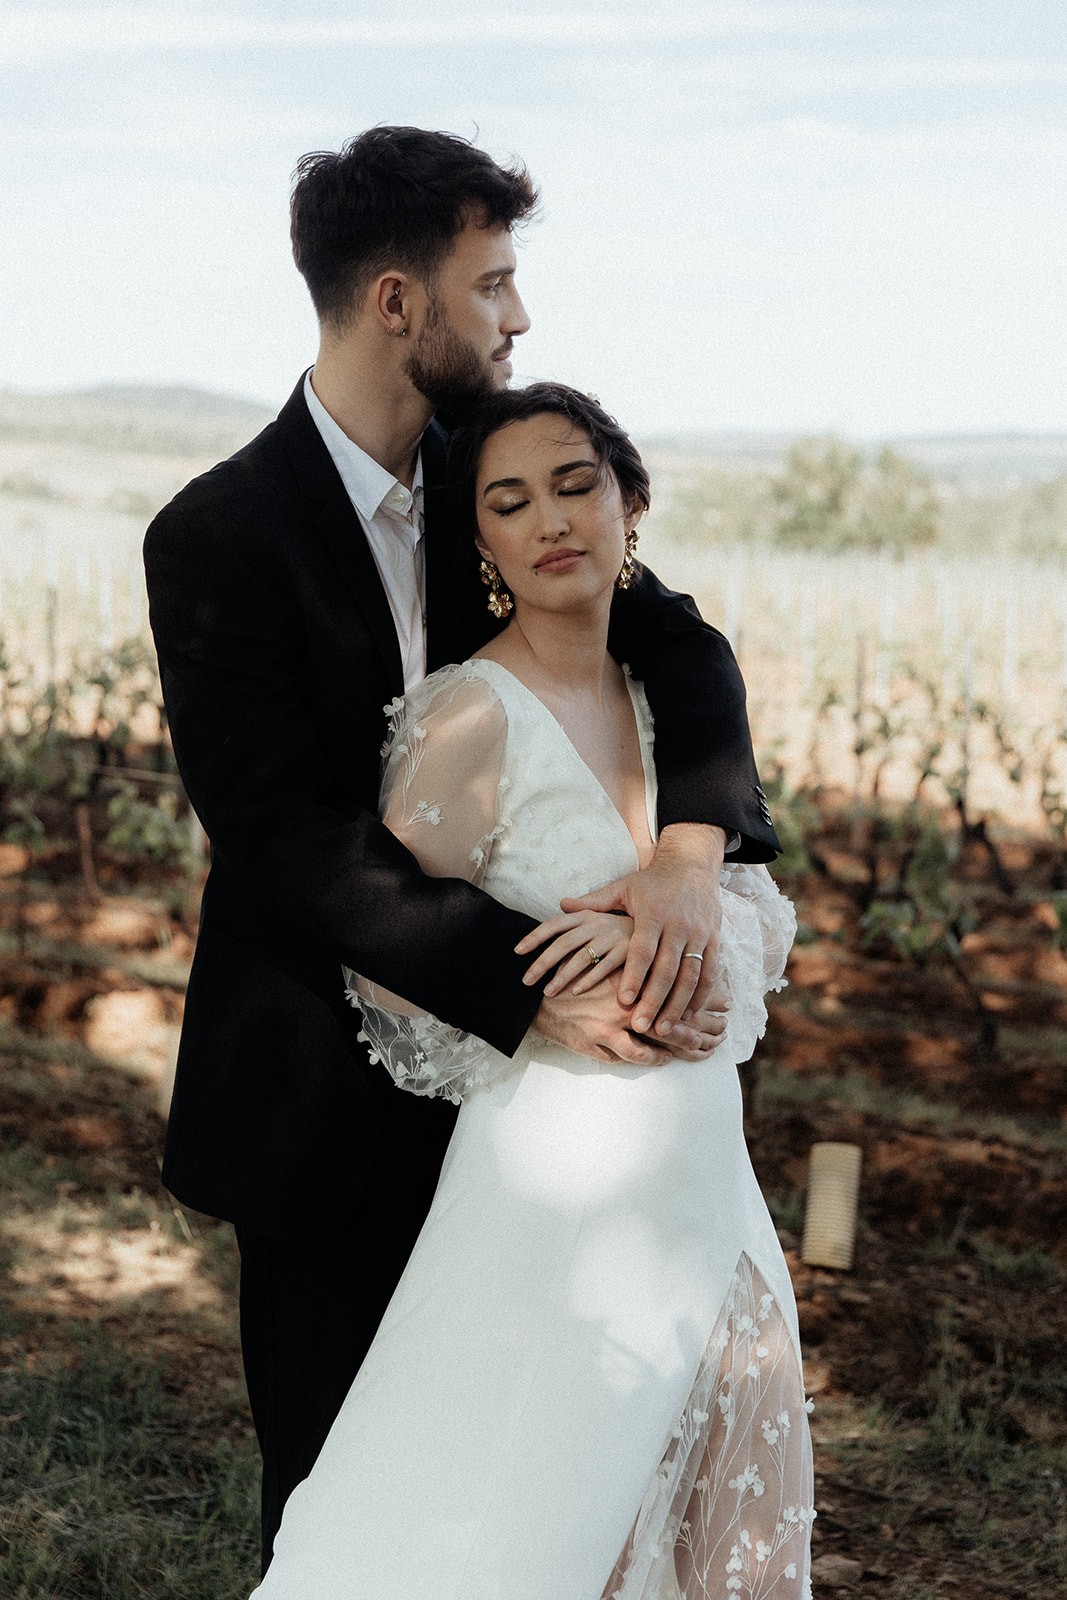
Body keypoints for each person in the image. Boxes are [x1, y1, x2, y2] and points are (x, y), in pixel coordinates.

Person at [142, 126, 779, 1571]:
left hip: (544, 1125)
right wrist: (529, 980)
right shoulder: (215, 536)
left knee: (550, 1488)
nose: (517, 317)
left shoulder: (503, 482)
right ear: (396, 303)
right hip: (330, 1107)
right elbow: (274, 832)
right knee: (350, 1499)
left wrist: (687, 848)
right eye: (491, 283)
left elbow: (678, 644)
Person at [251, 383, 814, 1600]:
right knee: (540, 1524)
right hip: (551, 1188)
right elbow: (384, 963)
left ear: (630, 503)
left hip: (705, 1180)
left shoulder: (676, 701)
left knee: (732, 1528)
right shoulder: (467, 712)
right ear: (484, 548)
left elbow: (753, 918)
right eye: (509, 501)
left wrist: (706, 951)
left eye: (575, 484)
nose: (551, 518)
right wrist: (555, 995)